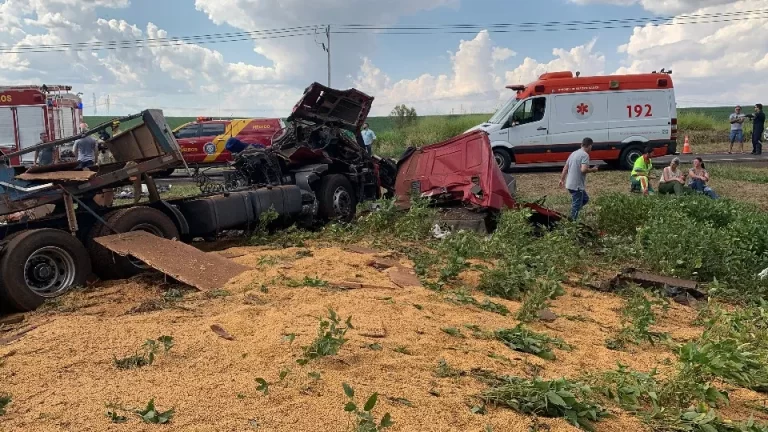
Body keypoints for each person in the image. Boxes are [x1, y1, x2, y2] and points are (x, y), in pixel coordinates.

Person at [559, 137, 598, 221]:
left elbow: (565, 167)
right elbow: (583, 170)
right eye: (591, 147)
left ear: (582, 144)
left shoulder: (573, 153)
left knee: (585, 199)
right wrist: (593, 170)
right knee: (577, 205)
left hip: (569, 184)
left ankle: (574, 210)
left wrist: (562, 179)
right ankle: (572, 222)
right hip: (577, 186)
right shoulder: (585, 155)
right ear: (590, 146)